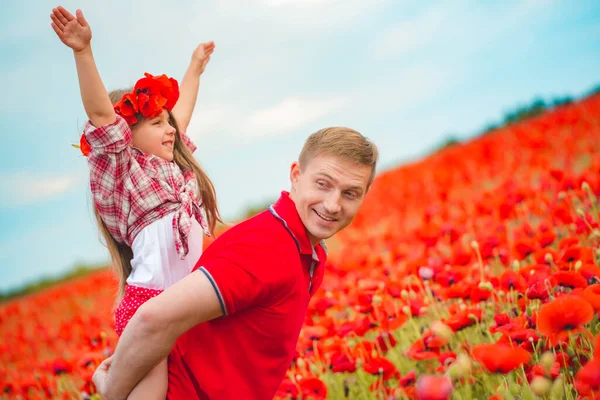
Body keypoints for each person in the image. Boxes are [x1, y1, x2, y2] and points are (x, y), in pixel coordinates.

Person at [92, 124, 380, 399]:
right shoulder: (268, 247)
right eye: (323, 184)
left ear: (365, 196)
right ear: (296, 175)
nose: (332, 204)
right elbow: (152, 317)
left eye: (349, 193)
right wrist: (112, 390)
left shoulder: (308, 251)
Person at [50, 6, 221, 399]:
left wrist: (194, 68)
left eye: (168, 123)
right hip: (151, 305)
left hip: (188, 302)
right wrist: (82, 51)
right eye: (157, 123)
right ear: (126, 132)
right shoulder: (123, 169)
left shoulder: (172, 166)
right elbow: (99, 114)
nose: (170, 131)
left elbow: (182, 117)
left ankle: (107, 384)